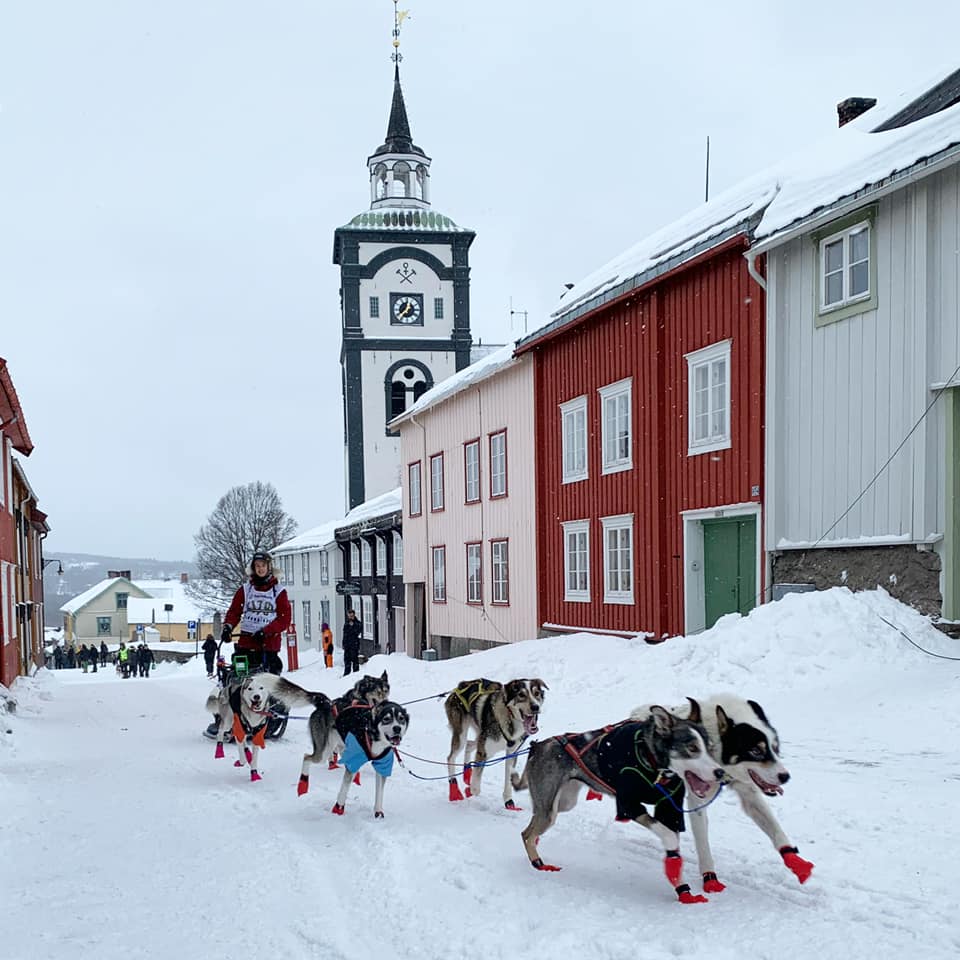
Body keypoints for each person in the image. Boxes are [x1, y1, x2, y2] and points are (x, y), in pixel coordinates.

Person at [221, 551, 291, 676]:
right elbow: (234, 612)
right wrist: (228, 627)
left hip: (268, 644)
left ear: (269, 567)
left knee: (268, 680)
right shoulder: (246, 589)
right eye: (257, 566)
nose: (260, 569)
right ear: (253, 568)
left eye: (263, 565)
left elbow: (284, 620)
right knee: (239, 676)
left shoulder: (279, 591)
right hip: (246, 642)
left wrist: (266, 631)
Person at [341, 608, 361, 677]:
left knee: (355, 660)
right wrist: (343, 643)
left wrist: (353, 626)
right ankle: (346, 674)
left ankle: (356, 674)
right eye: (349, 616)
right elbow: (345, 634)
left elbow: (358, 632)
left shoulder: (357, 623)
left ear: (354, 615)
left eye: (352, 616)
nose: (350, 617)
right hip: (347, 645)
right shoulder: (346, 623)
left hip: (354, 645)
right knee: (347, 660)